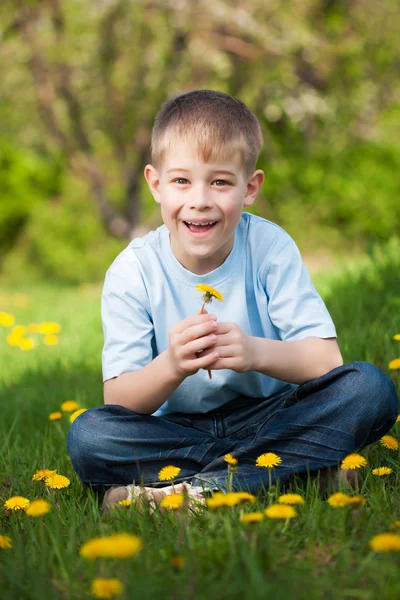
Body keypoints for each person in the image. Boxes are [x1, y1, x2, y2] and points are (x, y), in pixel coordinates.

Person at [67, 89, 398, 512]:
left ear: (250, 188)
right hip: (177, 432)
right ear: (155, 184)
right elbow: (121, 401)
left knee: (370, 389)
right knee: (89, 436)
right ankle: (299, 471)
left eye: (220, 181)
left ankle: (193, 492)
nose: (199, 199)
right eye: (181, 180)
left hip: (271, 415)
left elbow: (326, 362)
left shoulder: (269, 247)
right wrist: (171, 366)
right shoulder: (134, 270)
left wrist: (254, 352)